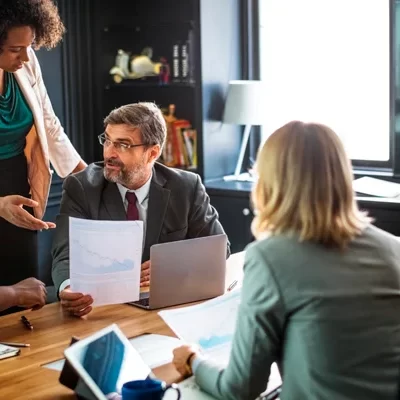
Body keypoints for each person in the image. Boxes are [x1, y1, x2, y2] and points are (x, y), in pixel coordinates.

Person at [172, 121, 400, 400]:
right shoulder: (394, 249)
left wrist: (194, 361)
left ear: (268, 184)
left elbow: (240, 387)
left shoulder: (270, 258)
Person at [52, 102, 229, 317]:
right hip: (104, 309)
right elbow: (65, 253)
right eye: (107, 140)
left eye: (123, 145)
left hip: (166, 307)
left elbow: (219, 249)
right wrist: (68, 287)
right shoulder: (82, 187)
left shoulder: (186, 187)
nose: (110, 153)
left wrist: (170, 266)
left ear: (152, 153)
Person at [0, 0, 86, 312]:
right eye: (14, 49)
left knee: (25, 288)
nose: (24, 57)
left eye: (30, 46)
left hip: (16, 180)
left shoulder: (26, 61)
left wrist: (84, 175)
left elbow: (48, 122)